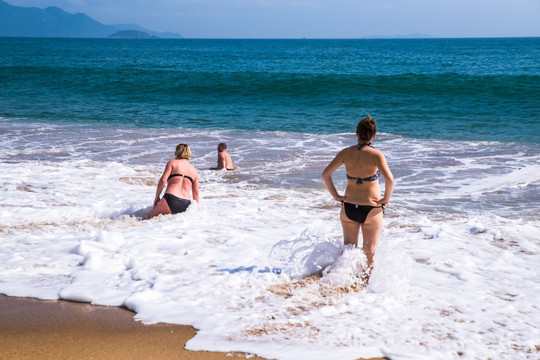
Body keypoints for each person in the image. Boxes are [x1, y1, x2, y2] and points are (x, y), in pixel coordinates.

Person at [321, 115, 394, 281]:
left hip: (348, 208)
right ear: (374, 135)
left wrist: (336, 196)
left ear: (356, 133)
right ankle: (364, 283)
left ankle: (342, 280)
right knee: (369, 252)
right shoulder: (376, 155)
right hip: (371, 209)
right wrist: (385, 199)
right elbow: (390, 180)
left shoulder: (346, 153)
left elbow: (325, 175)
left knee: (349, 250)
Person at [148, 143, 199, 219]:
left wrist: (157, 197)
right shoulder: (194, 170)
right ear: (189, 153)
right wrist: (195, 211)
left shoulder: (172, 163)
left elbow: (163, 180)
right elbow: (196, 193)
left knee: (147, 221)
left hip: (170, 199)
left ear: (177, 152)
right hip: (186, 203)